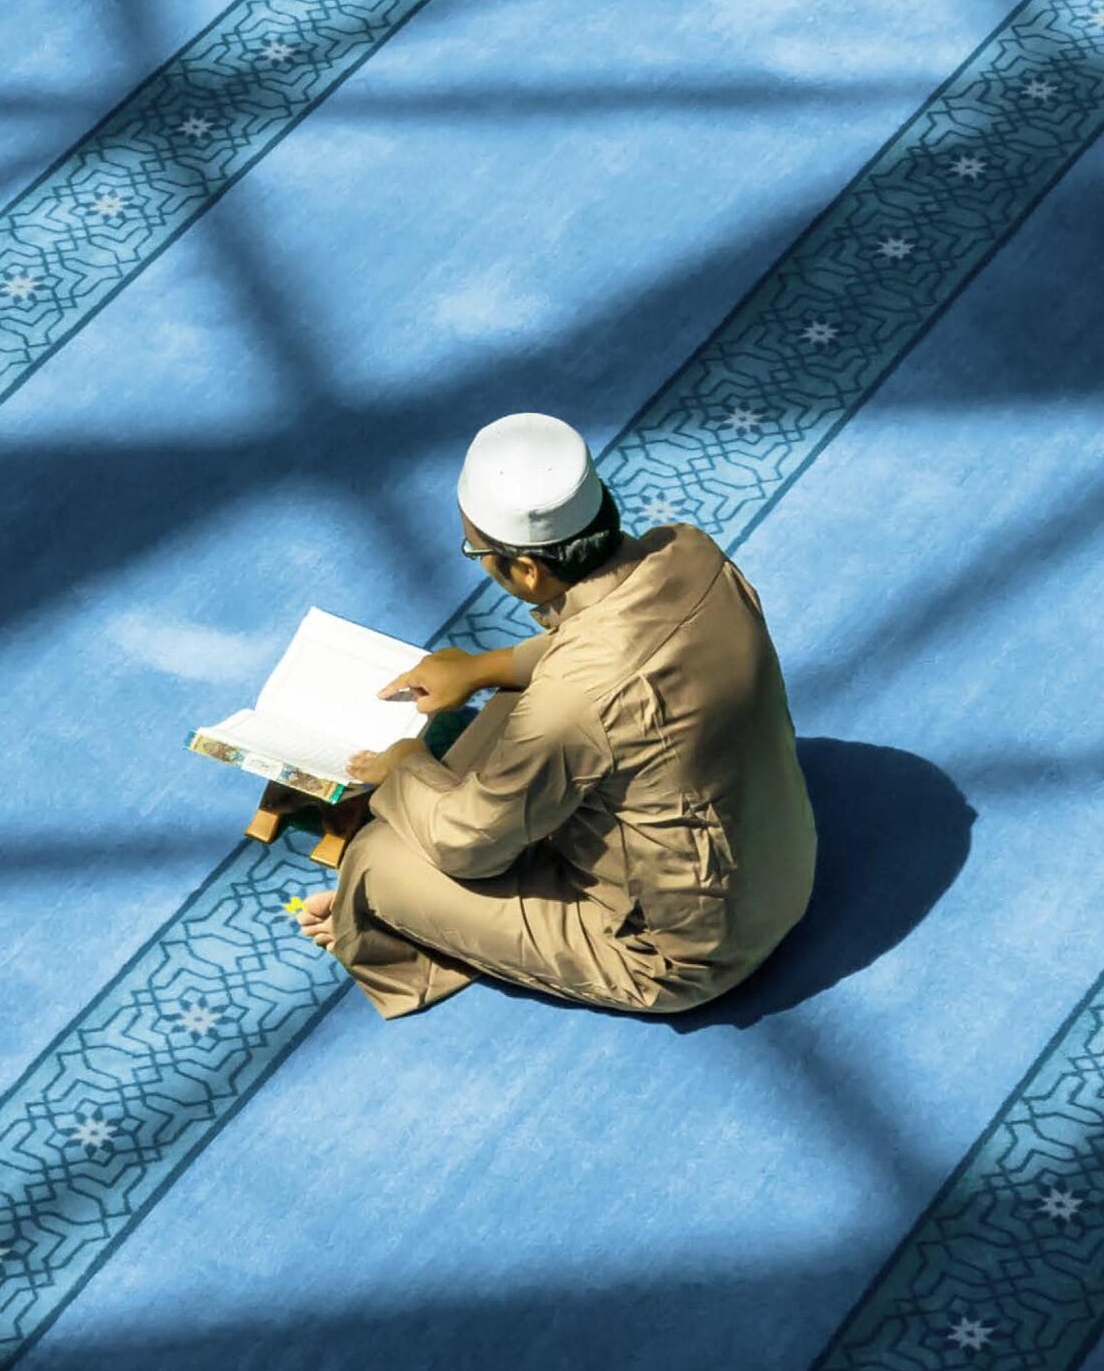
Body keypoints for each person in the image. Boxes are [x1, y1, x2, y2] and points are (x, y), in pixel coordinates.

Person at [292, 413, 817, 1019]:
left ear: (527, 570)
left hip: (687, 954)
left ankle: (418, 934)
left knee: (378, 860)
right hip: (785, 868)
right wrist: (481, 668)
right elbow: (622, 642)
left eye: (478, 553)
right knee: (520, 705)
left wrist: (405, 765)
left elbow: (467, 847)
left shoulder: (572, 699)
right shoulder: (692, 552)